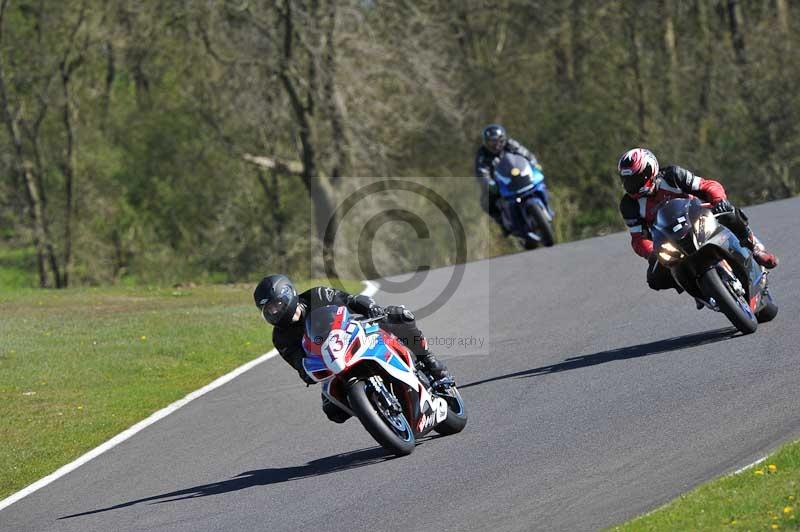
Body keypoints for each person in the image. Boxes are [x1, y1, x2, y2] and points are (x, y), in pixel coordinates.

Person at [253, 274, 450, 423]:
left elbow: (351, 301)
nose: (274, 312)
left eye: (276, 305)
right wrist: (305, 372)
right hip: (332, 364)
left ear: (288, 294)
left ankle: (429, 363)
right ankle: (374, 409)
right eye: (268, 310)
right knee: (333, 411)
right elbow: (298, 363)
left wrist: (370, 308)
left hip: (356, 336)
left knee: (399, 316)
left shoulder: (318, 295)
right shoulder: (280, 337)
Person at [617, 148, 779, 300]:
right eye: (628, 181)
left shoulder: (673, 175)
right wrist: (651, 252)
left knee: (729, 213)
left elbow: (707, 185)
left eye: (637, 178)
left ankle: (755, 248)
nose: (633, 185)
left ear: (650, 171)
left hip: (701, 218)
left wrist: (718, 200)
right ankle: (697, 288)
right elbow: (638, 238)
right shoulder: (629, 205)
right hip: (670, 240)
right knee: (654, 279)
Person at [475, 124, 543, 232]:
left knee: (540, 182)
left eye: (498, 141)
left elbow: (526, 154)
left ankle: (544, 203)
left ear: (503, 139)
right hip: (500, 182)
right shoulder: (482, 154)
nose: (496, 145)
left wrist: (534, 163)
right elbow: (481, 172)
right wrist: (489, 183)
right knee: (486, 202)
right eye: (492, 142)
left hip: (520, 175)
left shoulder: (511, 144)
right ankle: (503, 223)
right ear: (486, 142)